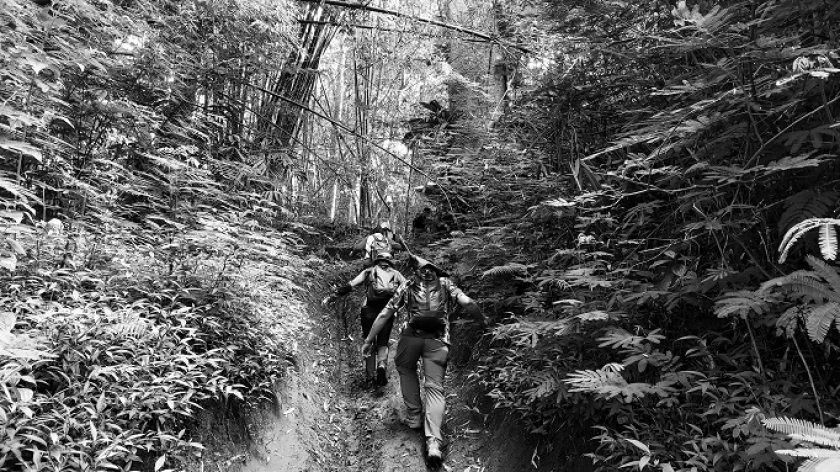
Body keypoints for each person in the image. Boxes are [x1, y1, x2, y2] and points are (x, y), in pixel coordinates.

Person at [361, 256, 487, 462]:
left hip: (412, 337)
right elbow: (468, 302)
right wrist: (482, 321)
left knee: (404, 366)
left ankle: (413, 416)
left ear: (417, 271)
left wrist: (369, 340)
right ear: (436, 271)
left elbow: (385, 313)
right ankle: (434, 443)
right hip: (438, 340)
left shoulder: (408, 284)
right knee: (435, 387)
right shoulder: (447, 284)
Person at [328, 252, 406, 385]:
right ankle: (381, 366)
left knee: (369, 340)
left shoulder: (369, 271)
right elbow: (407, 290)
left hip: (368, 311)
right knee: (383, 342)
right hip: (387, 311)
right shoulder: (397, 275)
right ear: (390, 262)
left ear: (377, 260)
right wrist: (399, 308)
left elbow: (351, 285)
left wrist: (333, 296)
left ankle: (370, 376)